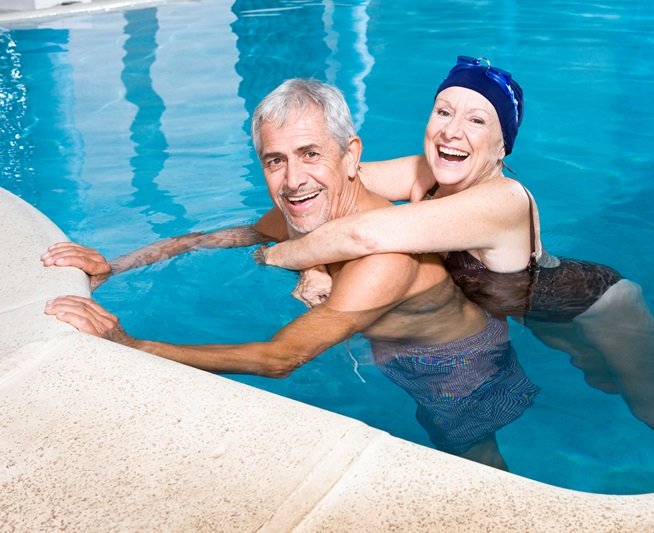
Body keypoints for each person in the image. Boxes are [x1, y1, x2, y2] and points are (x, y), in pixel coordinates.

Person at [256, 57, 654, 484]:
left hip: (599, 310)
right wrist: (318, 263)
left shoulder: (502, 199)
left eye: (477, 121)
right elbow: (320, 185)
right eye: (444, 112)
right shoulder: (426, 172)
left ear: (502, 146)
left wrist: (281, 257)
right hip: (534, 319)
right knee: (610, 386)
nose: (453, 130)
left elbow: (363, 233)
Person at [43, 78, 539, 470]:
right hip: (393, 346)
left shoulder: (385, 260)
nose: (293, 181)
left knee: (474, 465)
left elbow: (280, 358)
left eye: (309, 154)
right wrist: (115, 264)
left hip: (457, 370)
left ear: (351, 157)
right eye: (275, 161)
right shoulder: (306, 206)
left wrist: (131, 346)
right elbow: (217, 237)